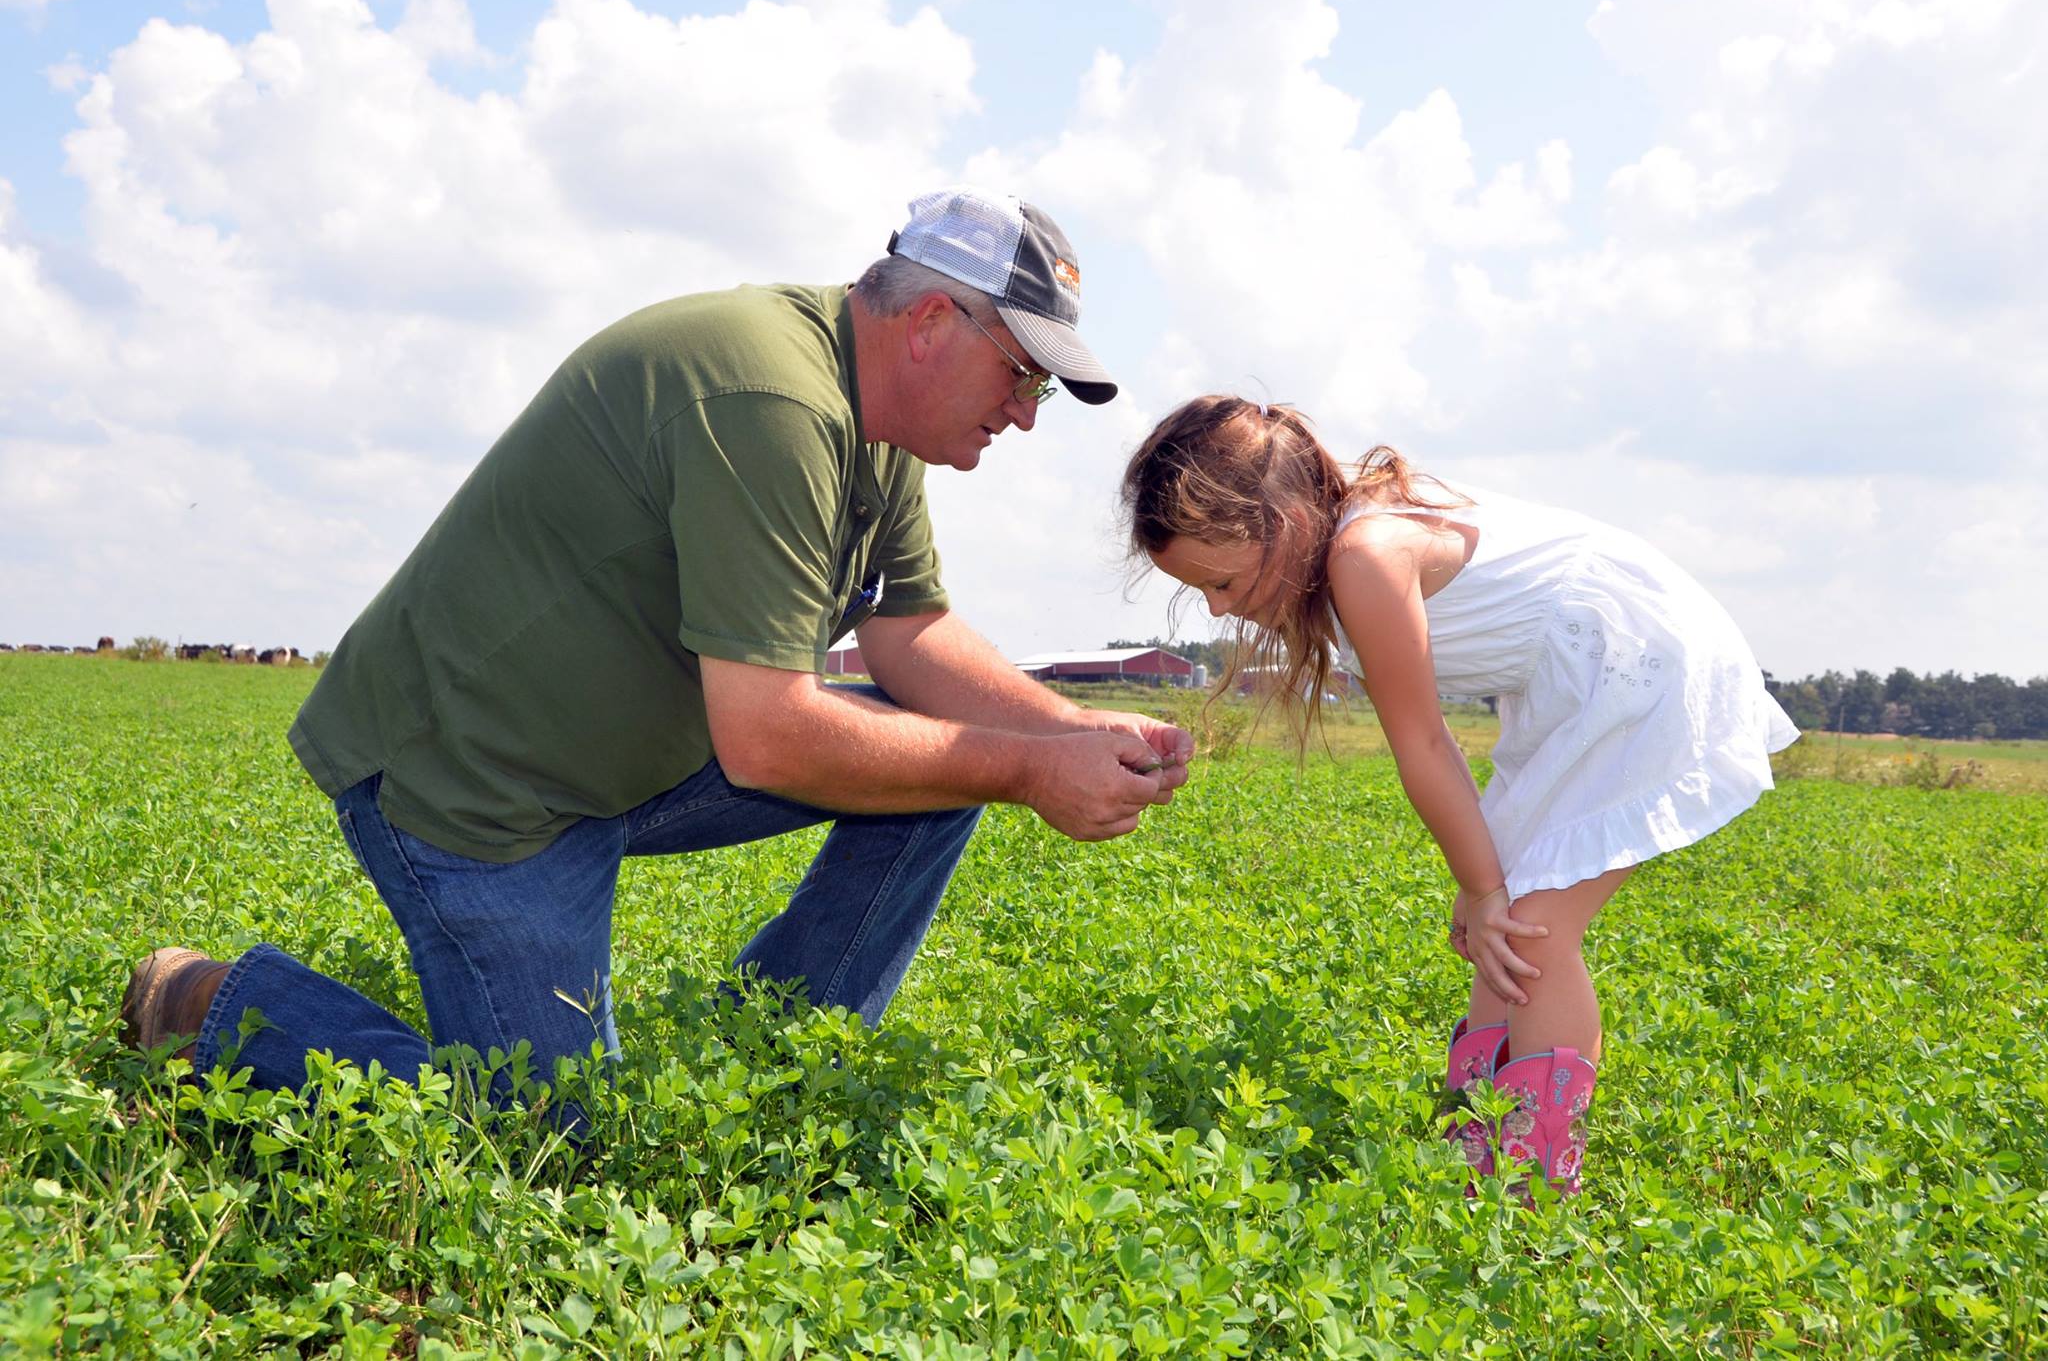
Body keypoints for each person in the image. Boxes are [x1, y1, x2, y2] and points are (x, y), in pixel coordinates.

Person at [121, 187, 1194, 1107]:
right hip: (478, 792)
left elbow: (909, 631)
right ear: (928, 322)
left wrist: (1069, 730)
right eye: (1021, 377)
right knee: (545, 1142)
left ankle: (769, 1064)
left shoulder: (876, 427)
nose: (1024, 415)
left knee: (944, 760)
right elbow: (770, 738)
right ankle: (218, 1003)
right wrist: (1022, 766)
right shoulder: (770, 399)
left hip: (634, 763)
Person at [1122, 394, 1797, 1195]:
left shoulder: (1363, 557)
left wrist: (1482, 884)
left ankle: (1535, 1183)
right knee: (1506, 936)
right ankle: (1476, 1145)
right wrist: (1481, 885)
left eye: (1224, 581)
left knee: (1532, 935)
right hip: (1571, 684)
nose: (1221, 607)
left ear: (1282, 519)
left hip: (1637, 662)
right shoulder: (1351, 533)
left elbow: (1426, 744)